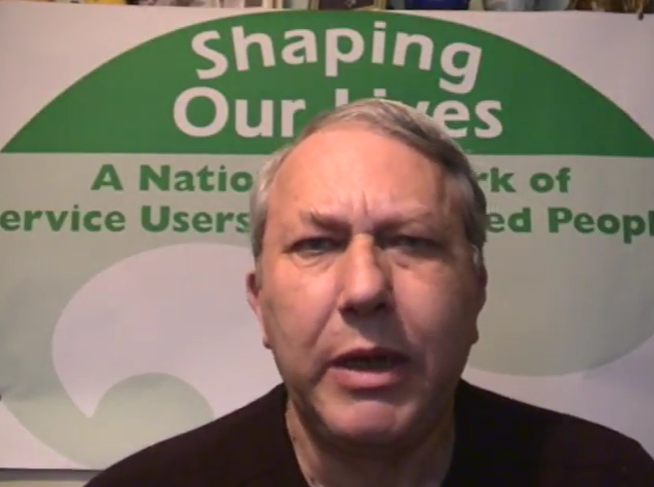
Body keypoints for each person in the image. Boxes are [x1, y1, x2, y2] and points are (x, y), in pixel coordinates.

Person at [84, 99, 654, 487]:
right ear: (259, 302)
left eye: (412, 242)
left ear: (476, 292)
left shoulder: (606, 476)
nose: (364, 289)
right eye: (316, 244)